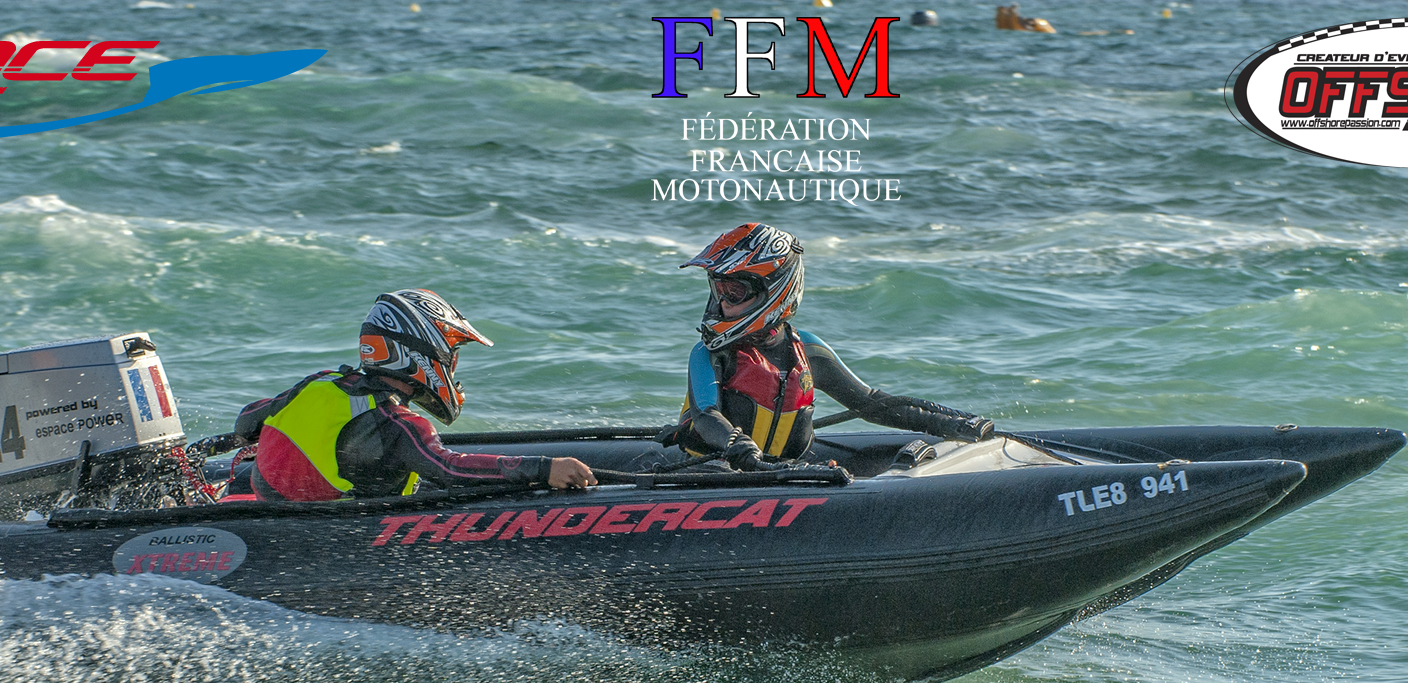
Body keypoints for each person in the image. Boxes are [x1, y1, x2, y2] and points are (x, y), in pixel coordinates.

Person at [671, 222, 995, 470]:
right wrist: (736, 445)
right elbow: (706, 415)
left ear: (774, 291)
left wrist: (948, 425)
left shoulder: (807, 350)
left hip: (786, 472)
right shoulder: (710, 355)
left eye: (734, 292)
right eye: (719, 291)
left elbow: (870, 403)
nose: (722, 303)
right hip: (710, 470)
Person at [233, 288, 596, 501]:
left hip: (274, 515)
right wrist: (545, 468)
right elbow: (449, 469)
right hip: (335, 540)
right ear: (421, 353)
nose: (452, 365)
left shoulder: (320, 383)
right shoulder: (397, 424)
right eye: (451, 354)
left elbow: (247, 422)